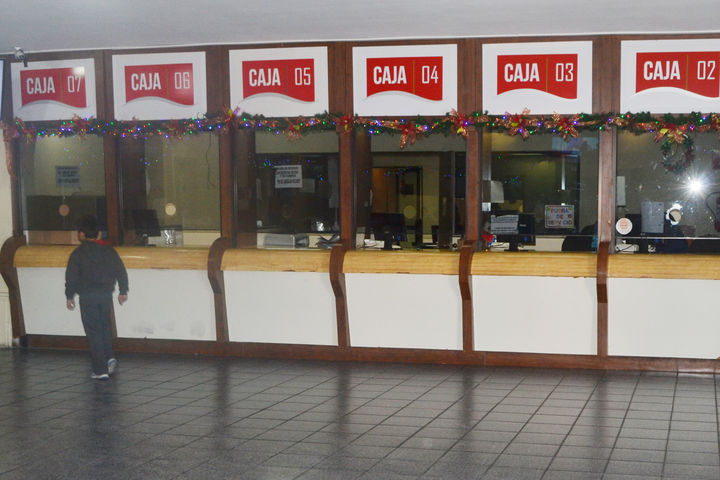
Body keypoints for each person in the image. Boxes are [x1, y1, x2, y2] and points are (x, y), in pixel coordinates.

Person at [65, 215, 129, 380]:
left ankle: (100, 370)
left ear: (81, 234)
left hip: (87, 297)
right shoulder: (109, 250)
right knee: (104, 327)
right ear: (99, 234)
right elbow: (120, 270)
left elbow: (71, 277)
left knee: (93, 331)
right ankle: (109, 357)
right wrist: (123, 290)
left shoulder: (78, 254)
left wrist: (69, 295)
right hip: (105, 295)